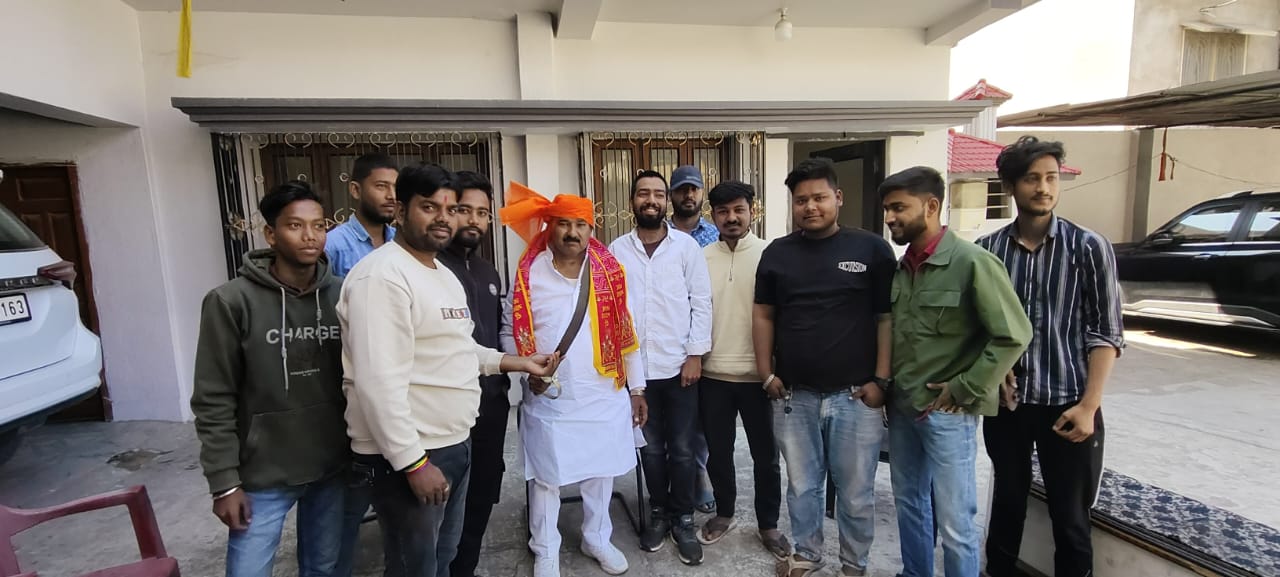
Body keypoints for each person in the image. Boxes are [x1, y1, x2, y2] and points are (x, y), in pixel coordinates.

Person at [338, 162, 558, 577]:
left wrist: (517, 362)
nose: (443, 218)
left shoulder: (439, 272)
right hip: (412, 453)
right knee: (414, 566)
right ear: (400, 211)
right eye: (429, 207)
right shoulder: (381, 277)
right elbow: (376, 383)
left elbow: (459, 349)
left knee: (444, 556)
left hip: (454, 442)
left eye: (450, 208)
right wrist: (413, 463)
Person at [978, 137, 1124, 577]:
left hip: (1069, 405)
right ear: (1010, 186)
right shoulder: (988, 251)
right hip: (1009, 406)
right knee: (1007, 504)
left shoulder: (1088, 247)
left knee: (1071, 516)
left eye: (1051, 178)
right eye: (1031, 179)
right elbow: (980, 326)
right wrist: (996, 371)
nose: (1043, 188)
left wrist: (1089, 406)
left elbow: (1106, 332)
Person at [879, 166, 1032, 577]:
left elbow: (1014, 334)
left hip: (948, 413)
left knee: (955, 523)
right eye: (887, 209)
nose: (890, 218)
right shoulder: (902, 269)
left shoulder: (972, 263)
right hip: (904, 408)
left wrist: (966, 387)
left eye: (899, 208)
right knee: (910, 505)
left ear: (931, 206)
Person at [192, 181, 348, 577]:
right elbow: (213, 397)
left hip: (332, 467)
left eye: (318, 225)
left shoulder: (342, 295)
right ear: (270, 234)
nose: (310, 235)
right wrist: (224, 482)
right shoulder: (230, 301)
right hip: (263, 474)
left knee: (324, 568)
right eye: (295, 225)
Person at [498, 183, 649, 577]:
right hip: (551, 397)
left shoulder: (610, 271)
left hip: (603, 394)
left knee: (601, 473)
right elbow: (509, 329)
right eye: (563, 223)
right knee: (546, 476)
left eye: (580, 225)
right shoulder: (529, 272)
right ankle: (545, 548)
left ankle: (596, 537)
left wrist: (637, 388)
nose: (572, 232)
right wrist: (525, 369)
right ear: (549, 226)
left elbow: (627, 333)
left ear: (591, 228)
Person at [753, 158, 894, 577]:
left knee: (855, 491)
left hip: (855, 396)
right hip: (794, 396)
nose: (810, 206)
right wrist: (766, 374)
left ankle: (854, 563)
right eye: (801, 200)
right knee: (802, 486)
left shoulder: (871, 249)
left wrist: (881, 381)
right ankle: (808, 553)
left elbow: (886, 318)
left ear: (838, 197)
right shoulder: (777, 254)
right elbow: (763, 315)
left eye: (819, 197)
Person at [609, 170, 713, 565]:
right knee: (650, 450)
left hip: (679, 366)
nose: (650, 200)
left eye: (657, 194)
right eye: (643, 194)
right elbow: (611, 311)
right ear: (632, 201)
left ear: (666, 201)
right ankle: (658, 512)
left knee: (683, 450)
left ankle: (683, 518)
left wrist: (695, 355)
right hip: (637, 371)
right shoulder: (616, 251)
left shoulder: (686, 248)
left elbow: (701, 302)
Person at [697, 181, 790, 559]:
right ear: (713, 215)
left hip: (759, 377)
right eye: (723, 211)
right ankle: (724, 513)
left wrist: (776, 369)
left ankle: (768, 524)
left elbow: (784, 315)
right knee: (718, 452)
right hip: (712, 374)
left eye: (739, 210)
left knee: (765, 457)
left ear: (753, 210)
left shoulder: (771, 255)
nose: (731, 218)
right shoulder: (701, 257)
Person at [437, 171, 510, 577]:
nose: (474, 220)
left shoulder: (489, 273)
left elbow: (497, 334)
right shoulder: (431, 269)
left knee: (482, 493)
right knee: (443, 502)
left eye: (482, 213)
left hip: (491, 404)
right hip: (446, 409)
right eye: (465, 210)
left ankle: (465, 568)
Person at [666, 164, 718, 514]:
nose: (688, 195)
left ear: (702, 193)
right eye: (682, 189)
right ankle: (670, 482)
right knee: (667, 421)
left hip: (704, 338)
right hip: (665, 342)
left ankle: (699, 476)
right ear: (672, 195)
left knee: (700, 420)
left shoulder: (715, 235)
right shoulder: (657, 234)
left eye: (694, 189)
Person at [325, 153, 399, 277]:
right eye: (381, 186)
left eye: (396, 188)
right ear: (356, 190)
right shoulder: (333, 245)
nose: (392, 196)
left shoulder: (400, 241)